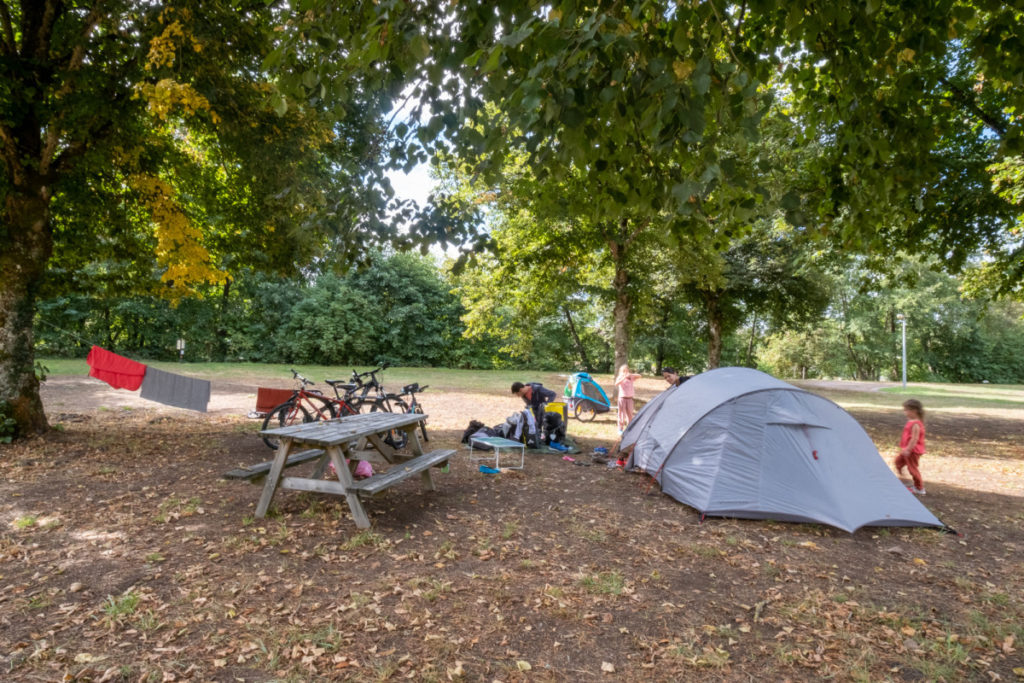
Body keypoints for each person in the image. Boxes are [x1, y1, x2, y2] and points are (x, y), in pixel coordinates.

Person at [894, 398, 927, 495]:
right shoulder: (911, 421)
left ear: (914, 411)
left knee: (912, 469)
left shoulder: (916, 424)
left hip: (912, 451)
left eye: (906, 410)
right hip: (906, 450)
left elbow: (914, 439)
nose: (905, 412)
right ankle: (903, 479)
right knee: (898, 462)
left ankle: (919, 488)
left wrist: (908, 449)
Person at [614, 364, 642, 433]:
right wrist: (623, 377)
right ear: (621, 371)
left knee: (630, 414)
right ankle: (620, 428)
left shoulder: (631, 377)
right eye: (624, 371)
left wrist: (631, 375)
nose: (625, 372)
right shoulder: (620, 377)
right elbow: (616, 384)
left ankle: (629, 428)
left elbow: (640, 376)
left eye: (626, 370)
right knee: (621, 414)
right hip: (622, 398)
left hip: (630, 398)